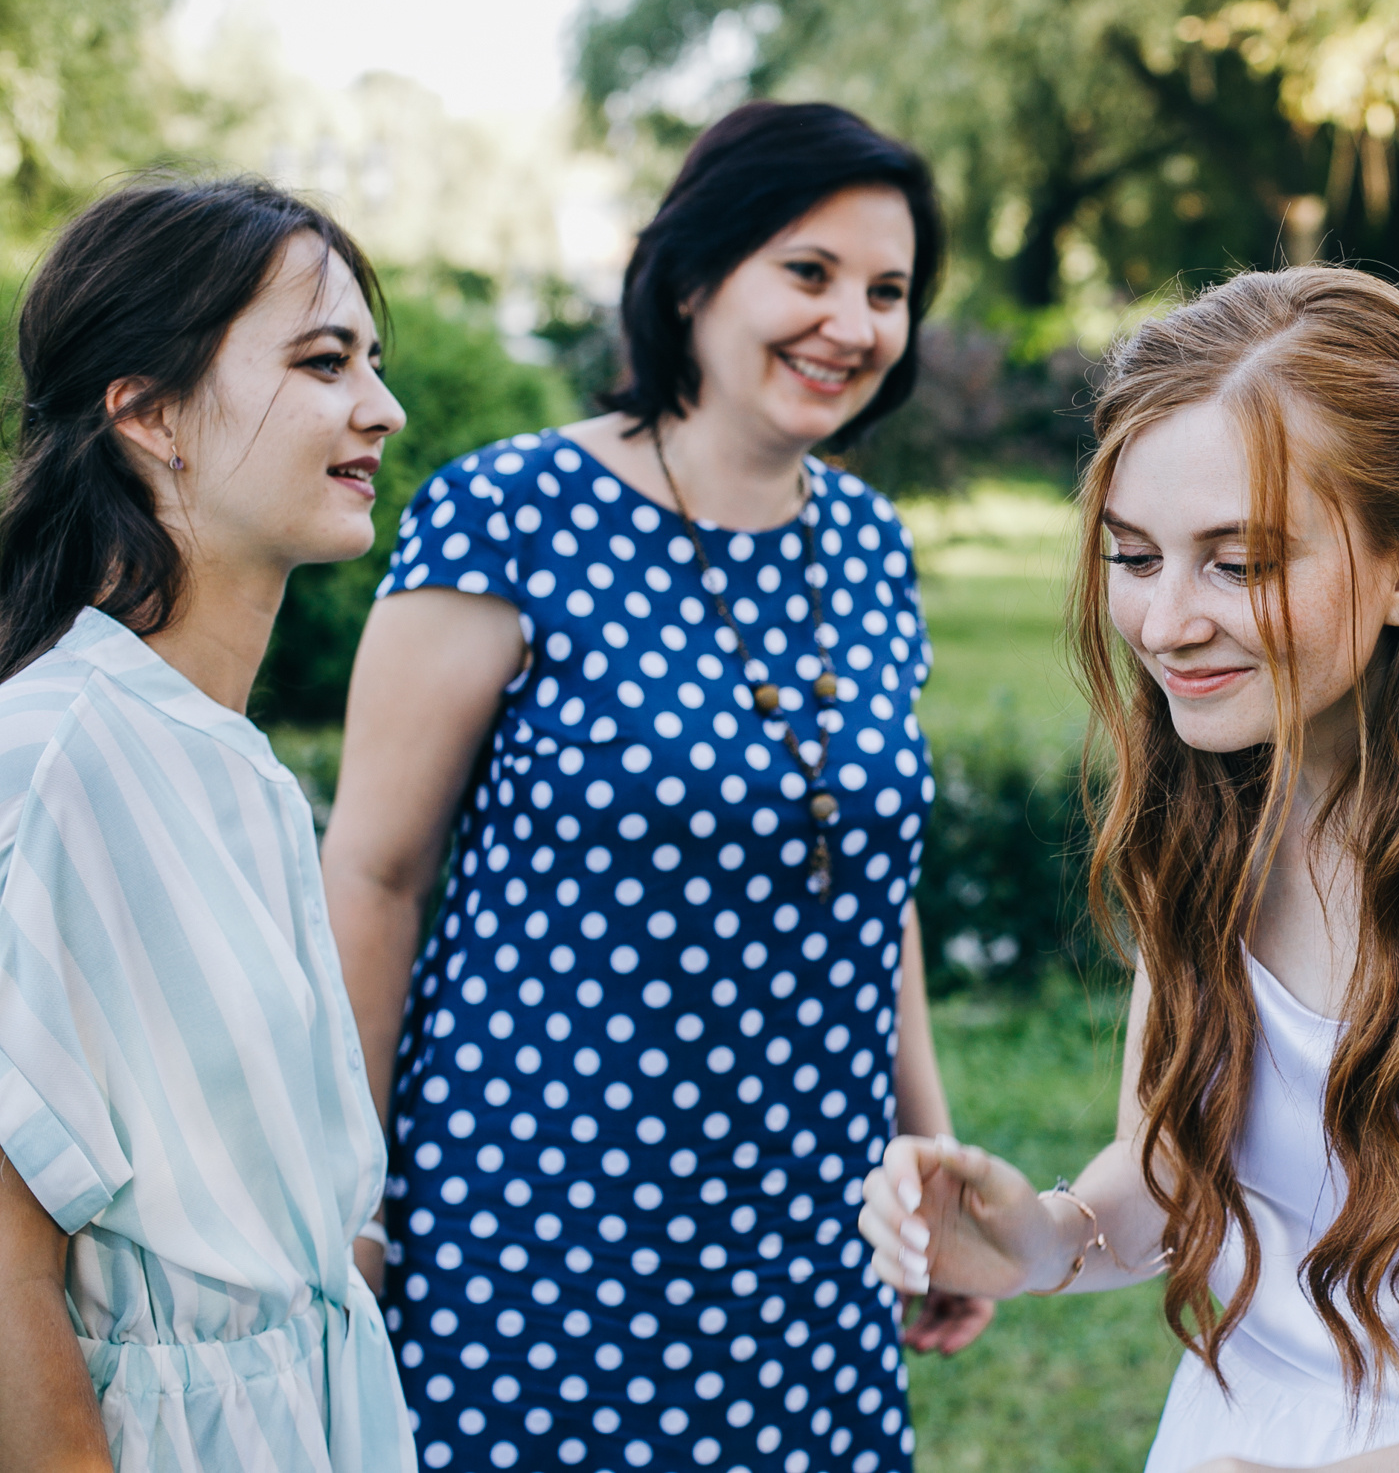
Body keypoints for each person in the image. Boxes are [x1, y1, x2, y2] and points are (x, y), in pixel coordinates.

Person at [858, 267, 1399, 1473]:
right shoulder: (1211, 809)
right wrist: (1037, 1235)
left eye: (1239, 562)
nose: (1164, 622)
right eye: (1134, 554)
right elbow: (1166, 1174)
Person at [323, 101, 986, 1473]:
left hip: (815, 1229)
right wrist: (350, 1196)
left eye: (889, 290)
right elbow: (376, 875)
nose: (852, 323)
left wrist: (932, 1158)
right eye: (807, 273)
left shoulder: (867, 545)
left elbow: (868, 880)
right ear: (694, 278)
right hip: (547, 1220)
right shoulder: (510, 513)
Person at [0, 176, 415, 1471]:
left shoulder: (237, 767)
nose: (382, 408)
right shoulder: (54, 758)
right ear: (148, 410)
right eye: (322, 359)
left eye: (373, 363)